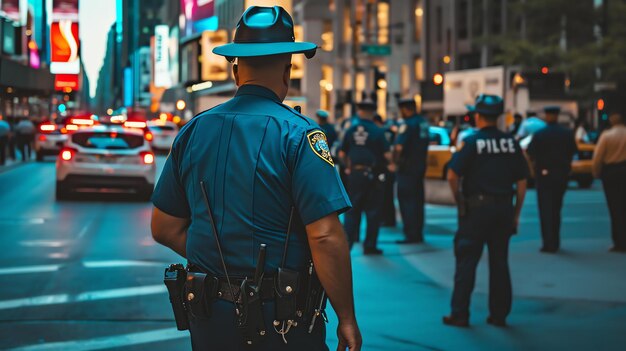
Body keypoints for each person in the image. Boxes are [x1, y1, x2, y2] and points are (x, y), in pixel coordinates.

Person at [150, 6, 361, 351]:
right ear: (287, 68)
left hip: (209, 319)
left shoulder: (193, 131)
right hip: (283, 322)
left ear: (236, 70)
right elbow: (324, 235)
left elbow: (164, 227)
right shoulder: (300, 135)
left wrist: (220, 268)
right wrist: (347, 318)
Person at [443, 94, 528, 327]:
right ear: (499, 117)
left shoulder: (472, 142)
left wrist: (460, 202)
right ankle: (499, 314)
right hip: (503, 208)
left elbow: (452, 175)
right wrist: (516, 213)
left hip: (476, 210)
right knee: (500, 262)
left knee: (466, 260)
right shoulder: (511, 143)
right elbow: (522, 181)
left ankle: (460, 313)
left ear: (478, 116)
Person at [339, 99, 391, 255]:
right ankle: (369, 246)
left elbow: (342, 153)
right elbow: (387, 155)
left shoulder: (350, 129)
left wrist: (348, 167)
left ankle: (347, 243)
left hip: (355, 174)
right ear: (372, 112)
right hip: (372, 175)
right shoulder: (377, 131)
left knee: (352, 210)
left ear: (359, 111)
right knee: (373, 211)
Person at [527, 106, 577, 253]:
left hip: (544, 175)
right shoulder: (567, 133)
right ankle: (555, 241)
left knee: (545, 209)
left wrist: (533, 170)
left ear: (547, 116)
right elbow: (572, 152)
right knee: (556, 208)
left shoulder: (540, 134)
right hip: (561, 174)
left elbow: (531, 154)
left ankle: (547, 242)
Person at [393, 98, 430, 244]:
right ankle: (418, 232)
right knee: (418, 201)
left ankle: (411, 234)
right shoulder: (423, 122)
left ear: (405, 109)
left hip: (407, 168)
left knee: (407, 202)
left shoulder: (408, 125)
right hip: (420, 166)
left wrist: (394, 162)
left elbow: (399, 147)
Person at [592, 111, 626, 252]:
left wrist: (596, 173)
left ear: (612, 120)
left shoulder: (607, 135)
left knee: (615, 208)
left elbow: (598, 157)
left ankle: (619, 241)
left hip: (611, 172)